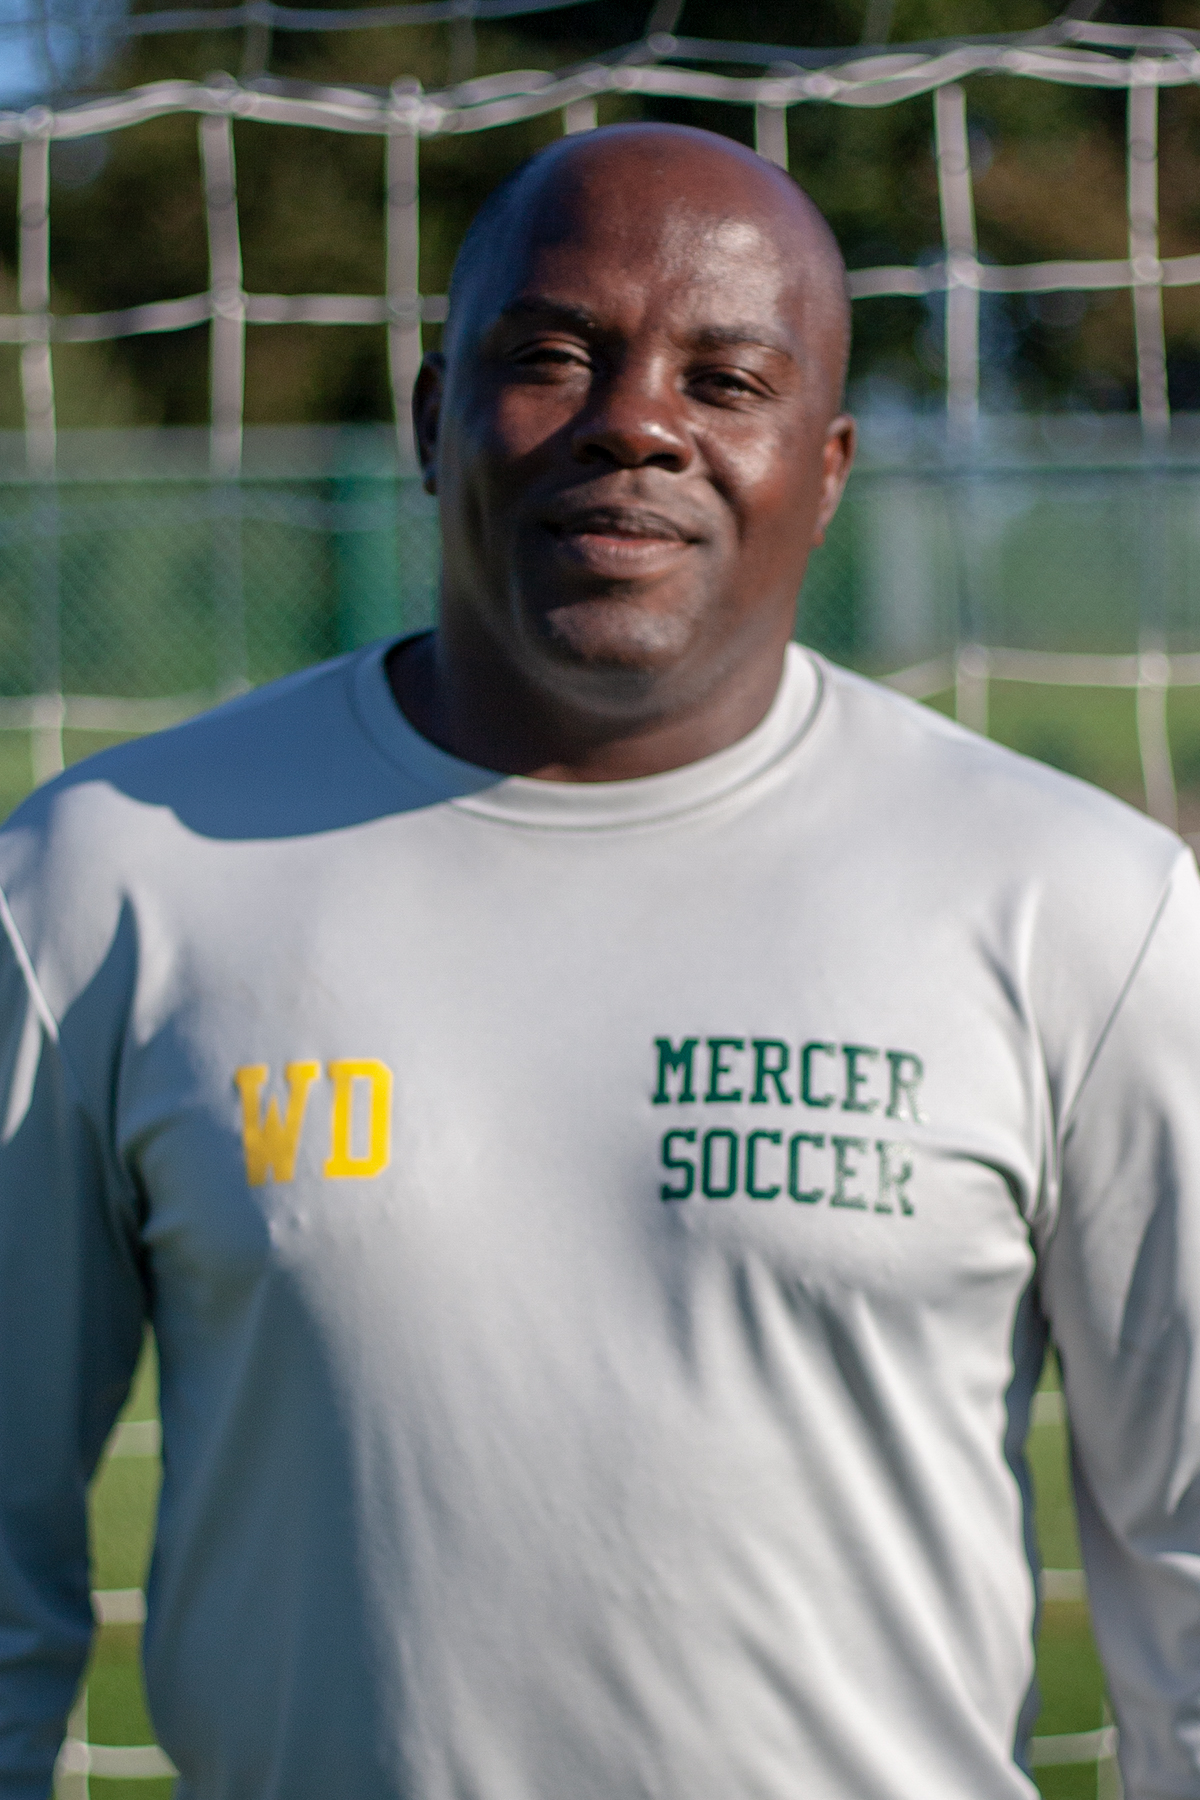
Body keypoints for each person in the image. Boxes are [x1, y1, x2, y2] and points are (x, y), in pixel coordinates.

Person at [0, 121, 1198, 1800]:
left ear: (828, 468)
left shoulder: (1077, 902)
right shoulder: (102, 879)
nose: (635, 421)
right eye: (552, 356)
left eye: (727, 380)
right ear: (432, 420)